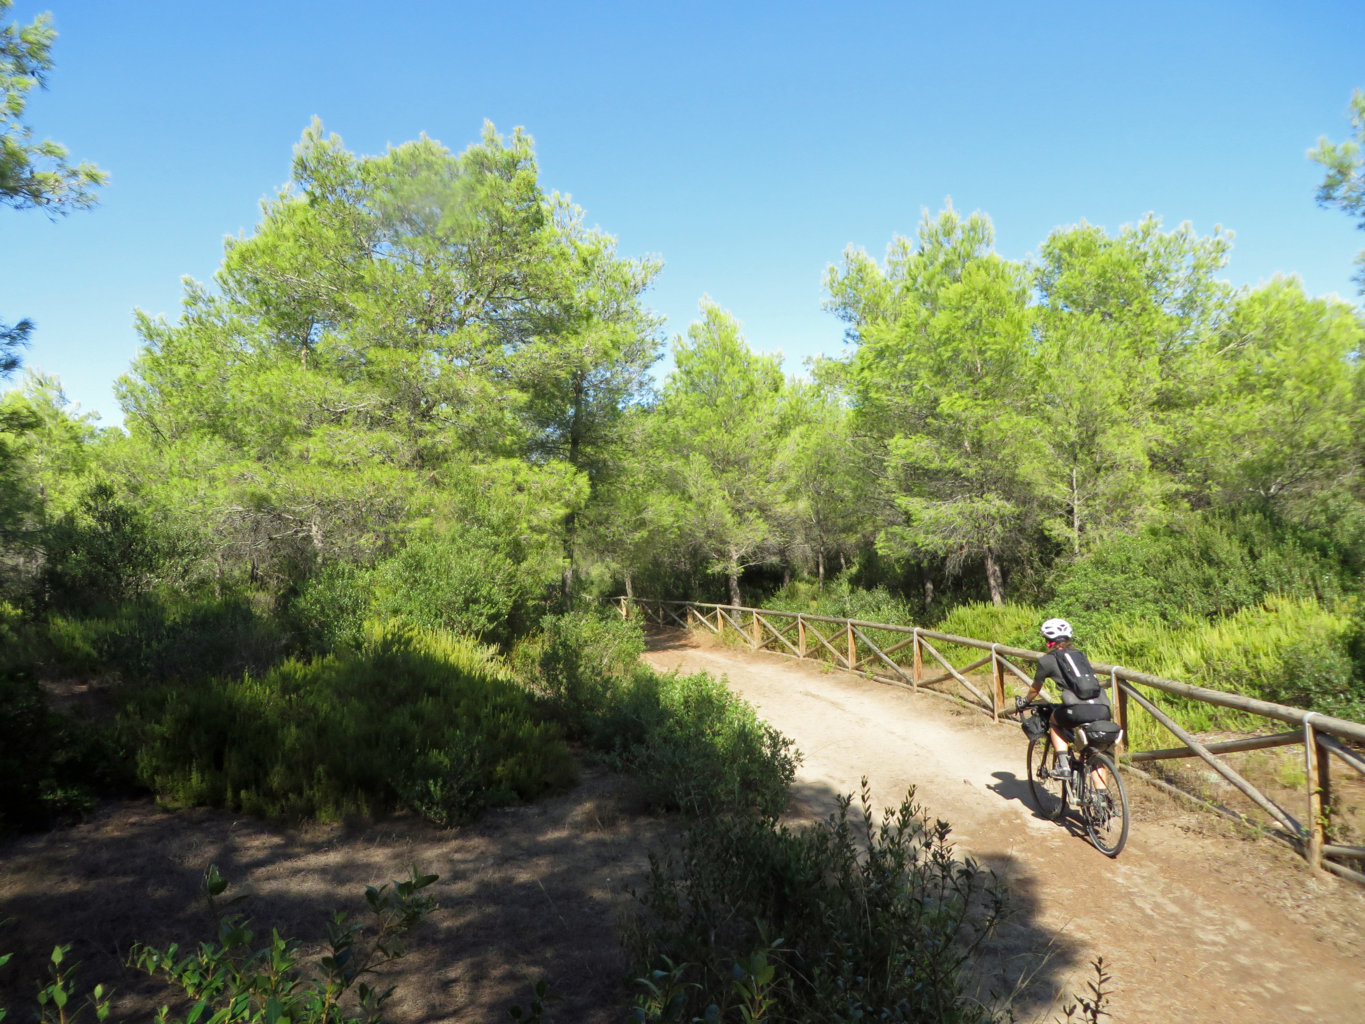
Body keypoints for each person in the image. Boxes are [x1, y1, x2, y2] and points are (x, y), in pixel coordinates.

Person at [1018, 618, 1110, 780]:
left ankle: (1064, 765)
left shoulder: (1047, 660)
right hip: (1102, 707)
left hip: (1076, 709)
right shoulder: (1081, 655)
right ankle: (1101, 800)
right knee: (1094, 755)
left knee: (1054, 722)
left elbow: (1035, 688)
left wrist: (1025, 701)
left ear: (1048, 642)